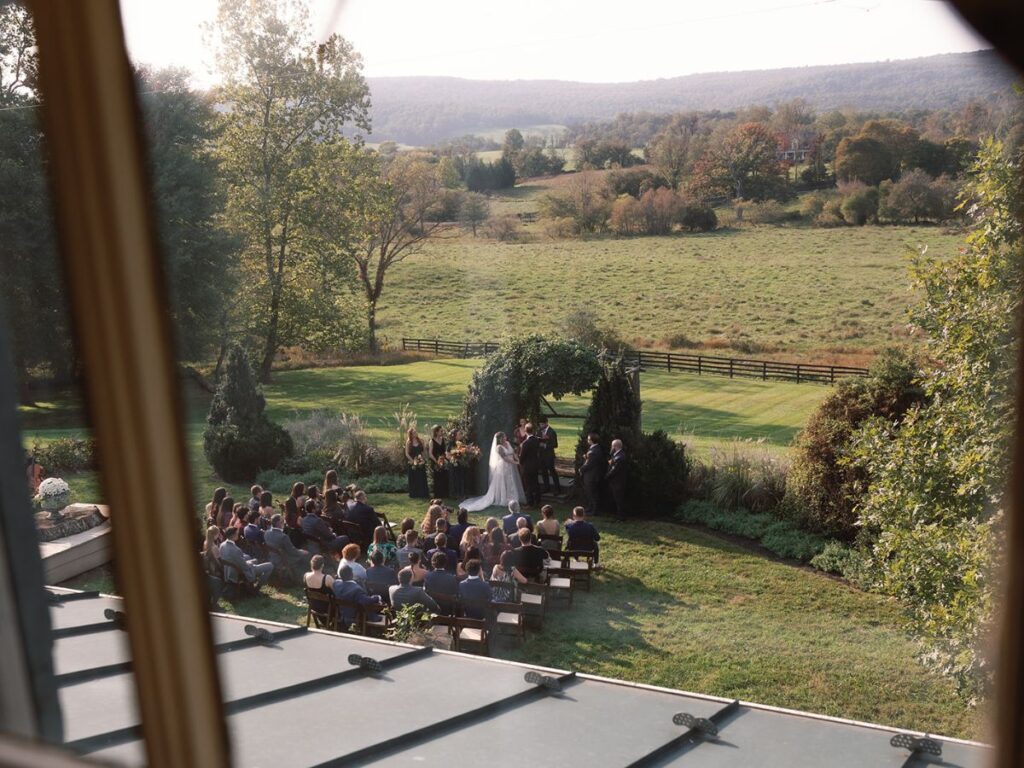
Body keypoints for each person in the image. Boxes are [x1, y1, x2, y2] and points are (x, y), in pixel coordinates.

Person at [460, 432, 525, 512]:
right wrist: (515, 462)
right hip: (503, 466)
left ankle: (512, 497)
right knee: (503, 482)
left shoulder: (508, 443)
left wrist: (517, 459)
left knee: (510, 481)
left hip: (510, 466)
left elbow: (513, 453)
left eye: (505, 436)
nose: (505, 438)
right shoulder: (499, 447)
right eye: (504, 437)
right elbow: (504, 458)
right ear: (500, 439)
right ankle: (503, 498)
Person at [332, 564, 382, 630]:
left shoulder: (336, 584)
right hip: (354, 617)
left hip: (341, 615)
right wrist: (377, 598)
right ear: (351, 575)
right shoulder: (356, 589)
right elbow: (366, 601)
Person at [265, 514, 309, 581]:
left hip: (271, 558)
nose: (284, 523)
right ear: (278, 523)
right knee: (306, 555)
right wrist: (302, 551)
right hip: (283, 560)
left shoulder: (266, 533)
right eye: (282, 521)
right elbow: (293, 551)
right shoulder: (283, 537)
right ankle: (303, 577)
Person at [580, 433, 606, 516]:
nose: (587, 441)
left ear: (591, 441)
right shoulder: (596, 448)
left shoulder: (593, 451)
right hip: (593, 475)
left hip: (592, 476)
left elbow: (589, 464)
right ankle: (590, 507)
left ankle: (594, 511)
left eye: (588, 439)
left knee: (592, 493)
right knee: (590, 492)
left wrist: (581, 469)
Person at [518, 423, 542, 507]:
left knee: (528, 485)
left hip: (527, 466)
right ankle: (538, 501)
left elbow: (522, 456)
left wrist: (520, 462)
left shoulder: (526, 443)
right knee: (536, 483)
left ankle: (530, 503)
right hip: (535, 465)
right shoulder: (536, 440)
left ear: (525, 431)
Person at [537, 418, 560, 495]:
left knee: (552, 471)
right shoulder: (539, 431)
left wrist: (545, 445)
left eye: (542, 424)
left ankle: (557, 489)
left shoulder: (552, 432)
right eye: (540, 424)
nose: (541, 426)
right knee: (544, 472)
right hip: (541, 455)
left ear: (546, 423)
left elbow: (555, 445)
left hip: (549, 455)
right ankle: (546, 487)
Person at [606, 438, 628, 521]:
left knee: (619, 500)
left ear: (615, 446)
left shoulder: (620, 457)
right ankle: (618, 515)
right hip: (616, 482)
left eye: (612, 446)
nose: (611, 447)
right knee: (617, 499)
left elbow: (614, 470)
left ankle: (621, 517)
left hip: (618, 482)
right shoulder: (618, 454)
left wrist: (606, 476)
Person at [405, 427, 430, 499]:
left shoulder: (421, 441)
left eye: (416, 432)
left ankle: (422, 493)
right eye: (414, 433)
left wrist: (424, 459)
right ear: (411, 434)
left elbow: (424, 451)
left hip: (421, 461)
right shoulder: (408, 442)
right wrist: (413, 461)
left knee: (421, 478)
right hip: (412, 462)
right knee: (414, 478)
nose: (416, 434)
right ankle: (414, 493)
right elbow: (407, 453)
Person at [428, 424, 449, 499]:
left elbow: (445, 450)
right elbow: (430, 453)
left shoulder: (443, 439)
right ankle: (438, 495)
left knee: (444, 476)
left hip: (443, 460)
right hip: (435, 461)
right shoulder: (432, 441)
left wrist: (445, 458)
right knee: (437, 478)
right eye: (441, 431)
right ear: (436, 432)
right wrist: (437, 461)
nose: (442, 432)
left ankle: (445, 494)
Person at [448, 427, 468, 498]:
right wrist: (453, 460)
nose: (461, 435)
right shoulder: (451, 443)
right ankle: (454, 494)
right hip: (453, 463)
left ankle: (461, 493)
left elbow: (463, 451)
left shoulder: (461, 443)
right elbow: (447, 454)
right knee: (454, 479)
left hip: (460, 463)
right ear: (455, 435)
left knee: (461, 478)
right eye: (459, 434)